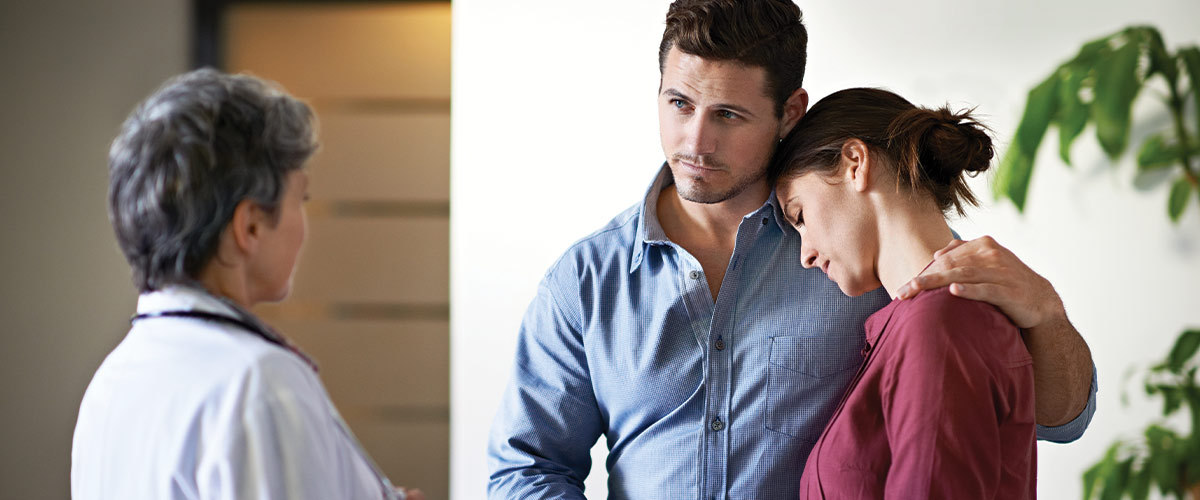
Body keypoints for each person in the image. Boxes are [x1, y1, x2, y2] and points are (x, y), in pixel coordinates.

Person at [486, 1, 1097, 498]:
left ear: (789, 112)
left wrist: (1046, 314)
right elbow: (528, 469)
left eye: (727, 114)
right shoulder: (587, 280)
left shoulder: (861, 249)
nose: (695, 140)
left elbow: (1055, 418)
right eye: (679, 104)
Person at [71, 69, 423, 500]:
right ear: (251, 226)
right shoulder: (258, 384)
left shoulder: (112, 381)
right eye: (302, 199)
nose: (305, 224)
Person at [772, 88, 1036, 499]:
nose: (805, 254)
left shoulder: (939, 325)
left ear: (855, 164)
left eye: (800, 215)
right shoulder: (917, 322)